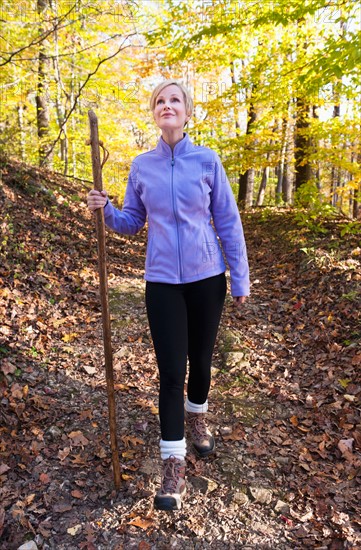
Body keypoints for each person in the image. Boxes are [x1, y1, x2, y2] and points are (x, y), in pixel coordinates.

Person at [87, 79, 250, 511]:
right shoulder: (142, 166)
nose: (167, 105)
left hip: (207, 277)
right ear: (154, 113)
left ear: (187, 111)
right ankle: (173, 466)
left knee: (201, 360)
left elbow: (229, 223)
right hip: (161, 282)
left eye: (175, 99)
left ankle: (198, 418)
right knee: (170, 372)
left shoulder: (207, 160)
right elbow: (130, 222)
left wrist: (240, 279)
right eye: (160, 100)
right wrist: (105, 210)